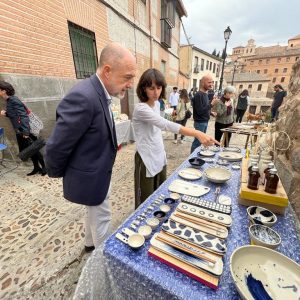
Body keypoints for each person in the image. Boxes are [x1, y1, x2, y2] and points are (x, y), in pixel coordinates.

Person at [45, 43, 137, 251]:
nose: (131, 84)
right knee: (102, 217)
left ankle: (88, 244)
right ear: (107, 71)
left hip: (98, 170)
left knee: (94, 212)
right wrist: (63, 173)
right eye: (128, 77)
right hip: (91, 174)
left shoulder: (101, 92)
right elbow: (58, 145)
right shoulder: (84, 96)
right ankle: (102, 265)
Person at [132, 68, 218, 208]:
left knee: (160, 195)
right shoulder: (141, 108)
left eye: (159, 88)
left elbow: (157, 130)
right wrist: (197, 133)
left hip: (159, 155)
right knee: (145, 201)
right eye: (151, 88)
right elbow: (165, 124)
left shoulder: (156, 104)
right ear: (143, 88)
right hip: (146, 158)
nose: (156, 92)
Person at [0, 81, 46, 176]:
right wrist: (6, 114)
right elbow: (16, 115)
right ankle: (36, 167)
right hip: (20, 130)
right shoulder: (9, 101)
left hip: (24, 130)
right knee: (30, 150)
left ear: (3, 91)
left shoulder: (13, 100)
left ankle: (45, 168)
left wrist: (26, 132)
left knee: (34, 149)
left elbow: (23, 115)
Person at [190, 75, 217, 153]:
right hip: (200, 122)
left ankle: (196, 156)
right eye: (209, 82)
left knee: (200, 141)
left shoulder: (205, 94)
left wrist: (211, 113)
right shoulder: (198, 95)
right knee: (197, 142)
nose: (211, 84)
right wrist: (211, 104)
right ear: (202, 83)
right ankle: (192, 158)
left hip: (204, 121)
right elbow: (200, 111)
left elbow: (204, 107)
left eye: (212, 82)